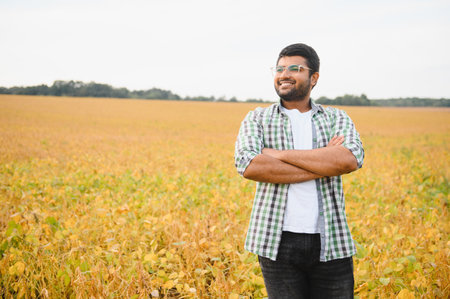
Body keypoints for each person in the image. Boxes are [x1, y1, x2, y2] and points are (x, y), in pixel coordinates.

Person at [234, 43, 364, 298]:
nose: (284, 74)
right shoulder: (257, 118)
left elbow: (349, 160)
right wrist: (326, 163)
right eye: (280, 68)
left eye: (295, 68)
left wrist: (276, 154)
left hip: (331, 239)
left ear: (313, 78)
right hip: (276, 240)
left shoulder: (336, 118)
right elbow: (249, 165)